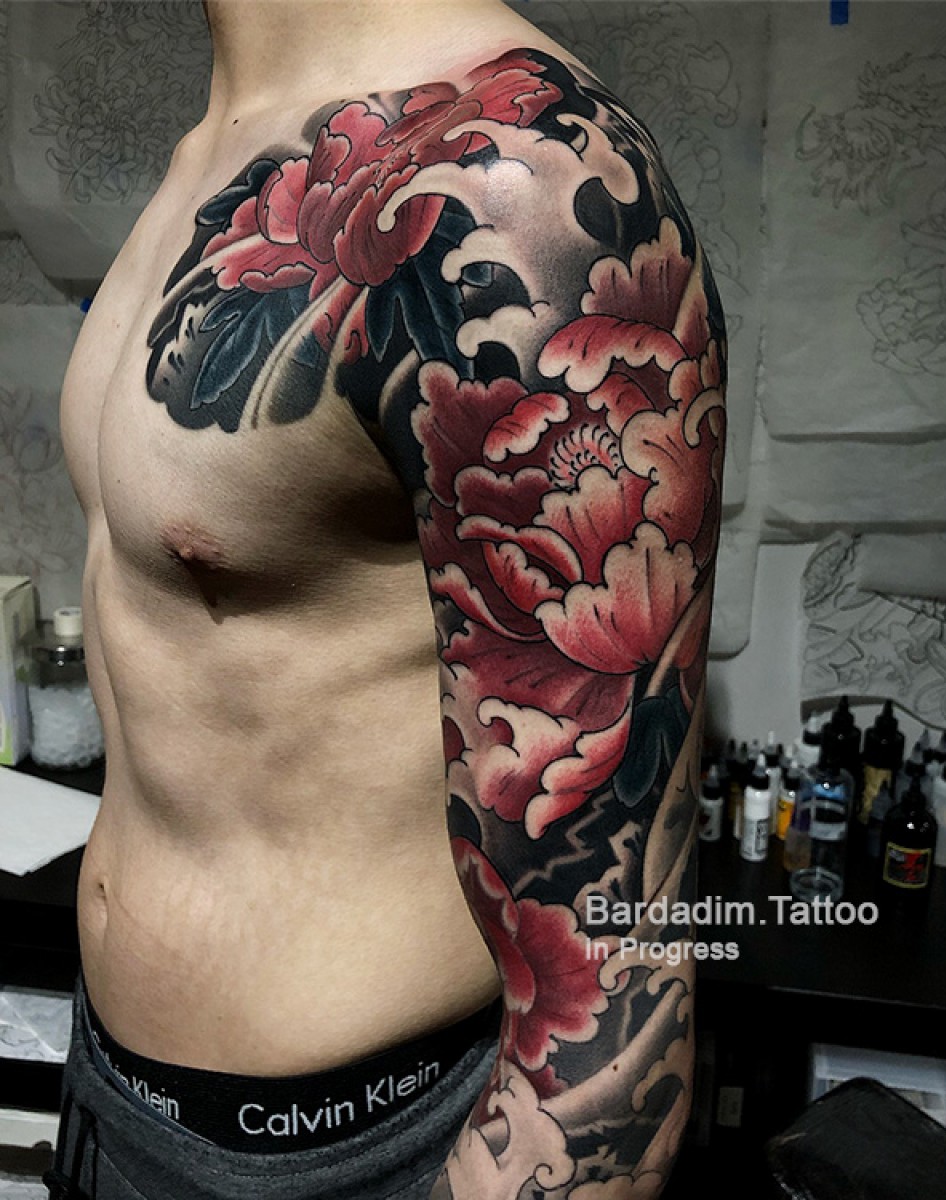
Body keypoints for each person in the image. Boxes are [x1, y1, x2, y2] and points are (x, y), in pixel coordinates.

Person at [45, 1, 727, 1196]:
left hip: (361, 1155)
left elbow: (614, 1012)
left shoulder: (516, 185)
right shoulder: (223, 140)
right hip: (113, 1098)